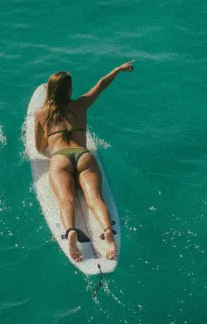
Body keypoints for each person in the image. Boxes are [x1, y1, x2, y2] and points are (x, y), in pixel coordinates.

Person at [33, 61, 134, 261]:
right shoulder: (81, 104)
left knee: (66, 199)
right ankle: (107, 233)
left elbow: (38, 147)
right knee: (95, 198)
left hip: (60, 159)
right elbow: (101, 85)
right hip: (84, 156)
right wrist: (117, 68)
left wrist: (51, 136)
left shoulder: (40, 114)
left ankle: (71, 232)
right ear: (69, 89)